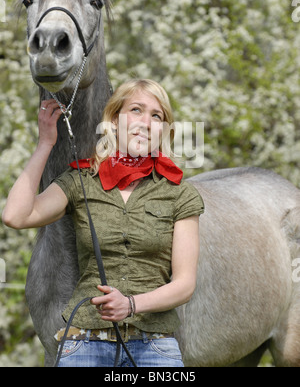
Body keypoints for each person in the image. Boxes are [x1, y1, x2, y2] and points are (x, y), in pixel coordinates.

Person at [2, 79, 204, 367]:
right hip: (84, 345)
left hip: (154, 347)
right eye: (136, 110)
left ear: (164, 129)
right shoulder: (80, 181)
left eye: (156, 116)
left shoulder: (180, 193)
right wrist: (45, 143)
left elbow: (184, 284)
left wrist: (131, 304)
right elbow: (16, 216)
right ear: (114, 119)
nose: (145, 122)